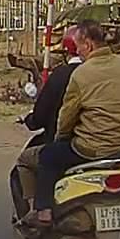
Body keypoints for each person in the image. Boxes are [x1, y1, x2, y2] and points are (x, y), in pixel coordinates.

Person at [29, 19, 120, 227]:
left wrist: (61, 138)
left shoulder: (81, 74)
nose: (78, 51)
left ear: (88, 44)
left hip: (89, 149)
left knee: (48, 156)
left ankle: (44, 211)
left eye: (79, 46)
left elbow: (67, 116)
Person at [15, 26, 84, 207]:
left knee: (28, 161)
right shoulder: (106, 74)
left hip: (72, 144)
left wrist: (31, 120)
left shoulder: (63, 75)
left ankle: (36, 211)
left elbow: (45, 116)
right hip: (111, 146)